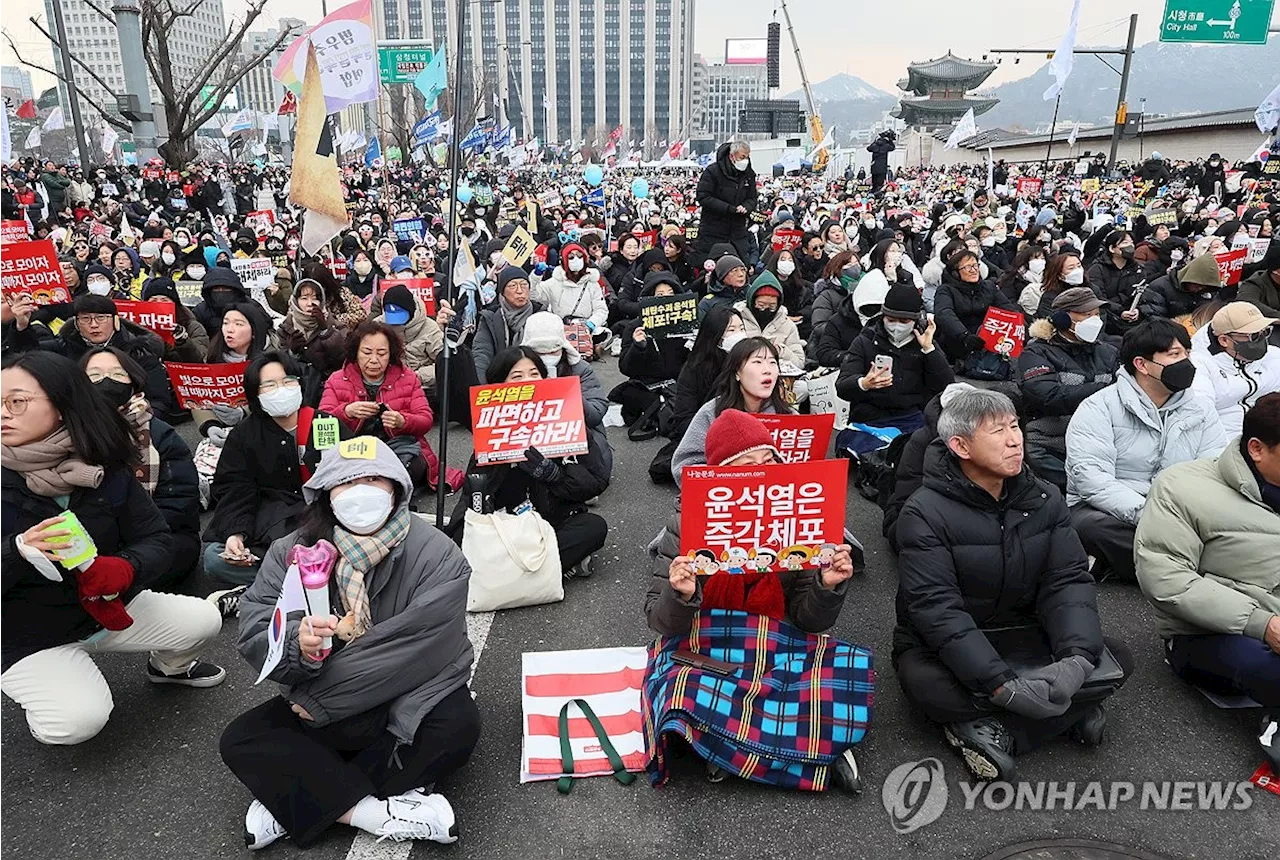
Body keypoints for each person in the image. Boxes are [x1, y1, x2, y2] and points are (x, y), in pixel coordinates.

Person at [221, 438, 479, 850]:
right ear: (326, 492)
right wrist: (297, 647)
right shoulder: (292, 551)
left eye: (375, 478)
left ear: (396, 487)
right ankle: (373, 813)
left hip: (402, 695)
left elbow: (419, 645)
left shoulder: (436, 552)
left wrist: (320, 699)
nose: (361, 491)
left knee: (457, 725)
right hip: (331, 700)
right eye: (346, 482)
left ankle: (296, 796)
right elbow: (255, 629)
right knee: (239, 738)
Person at [893, 387, 1131, 781]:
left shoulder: (1044, 496)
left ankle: (995, 730)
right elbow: (937, 609)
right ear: (960, 446)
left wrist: (1074, 659)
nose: (1014, 439)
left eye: (1015, 425)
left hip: (1025, 629)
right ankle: (1060, 713)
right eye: (997, 431)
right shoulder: (923, 511)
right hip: (950, 644)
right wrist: (1000, 684)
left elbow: (1067, 580)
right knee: (923, 683)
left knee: (1115, 656)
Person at [0, 351, 224, 746]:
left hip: (108, 608)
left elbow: (157, 538)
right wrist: (17, 550)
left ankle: (169, 668)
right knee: (76, 721)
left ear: (62, 405)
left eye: (17, 401)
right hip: (26, 633)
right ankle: (51, 692)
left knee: (204, 619)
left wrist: (125, 567)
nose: (4, 412)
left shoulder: (103, 463)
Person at [1134, 393, 1280, 771]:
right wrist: (1262, 624)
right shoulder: (1182, 487)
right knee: (1263, 663)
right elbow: (1166, 578)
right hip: (1210, 635)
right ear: (1257, 449)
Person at [647, 409, 857, 636]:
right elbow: (661, 622)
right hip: (704, 639)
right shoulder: (686, 524)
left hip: (775, 638)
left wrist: (826, 586)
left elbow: (810, 623)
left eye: (769, 461)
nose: (763, 472)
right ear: (720, 476)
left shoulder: (797, 519)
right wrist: (681, 594)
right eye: (748, 466)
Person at [1067, 319, 1226, 583]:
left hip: (1180, 510)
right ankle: (1192, 572)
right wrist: (1150, 513)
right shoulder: (1099, 407)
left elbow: (1214, 466)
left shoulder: (1200, 409)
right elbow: (1091, 479)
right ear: (1141, 364)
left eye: (1187, 353)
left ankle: (1174, 568)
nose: (1186, 362)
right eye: (1175, 355)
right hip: (1114, 509)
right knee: (1090, 526)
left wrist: (1192, 513)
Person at [448, 346, 610, 577]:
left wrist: (554, 475)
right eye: (517, 376)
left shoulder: (567, 418)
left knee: (594, 527)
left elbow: (596, 480)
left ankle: (510, 572)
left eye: (535, 374)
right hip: (503, 524)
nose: (528, 382)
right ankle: (547, 569)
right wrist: (499, 459)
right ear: (499, 385)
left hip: (552, 522)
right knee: (458, 537)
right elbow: (474, 495)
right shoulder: (492, 425)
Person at [203, 352, 325, 594]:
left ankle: (270, 584)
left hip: (321, 523)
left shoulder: (323, 423)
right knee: (214, 558)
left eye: (288, 381)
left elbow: (350, 475)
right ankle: (310, 580)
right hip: (267, 527)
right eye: (269, 385)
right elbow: (234, 488)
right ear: (255, 394)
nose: (281, 389)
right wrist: (235, 534)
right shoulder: (244, 435)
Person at [81, 347, 202, 589]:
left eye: (117, 375)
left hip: (154, 536)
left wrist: (126, 539)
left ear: (133, 383)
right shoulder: (66, 435)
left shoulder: (160, 435)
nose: (106, 381)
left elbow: (179, 504)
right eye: (94, 376)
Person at [321, 319, 462, 492]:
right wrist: (346, 412)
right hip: (352, 448)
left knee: (411, 465)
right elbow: (322, 423)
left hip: (397, 447)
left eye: (381, 353)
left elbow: (425, 419)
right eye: (367, 352)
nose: (374, 360)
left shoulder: (408, 377)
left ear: (391, 354)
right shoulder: (337, 379)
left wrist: (402, 421)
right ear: (355, 352)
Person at [1017, 288, 1120, 490]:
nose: (1094, 320)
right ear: (1062, 319)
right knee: (1031, 450)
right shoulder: (1037, 352)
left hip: (1104, 433)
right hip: (1056, 433)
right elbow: (1047, 395)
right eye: (1086, 315)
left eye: (1097, 315)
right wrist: (1104, 389)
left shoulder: (1108, 352)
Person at [834, 283, 953, 456]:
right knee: (851, 444)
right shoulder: (865, 340)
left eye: (904, 321)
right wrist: (863, 383)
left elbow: (947, 386)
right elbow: (842, 386)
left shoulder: (925, 344)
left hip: (912, 416)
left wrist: (930, 351)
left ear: (915, 320)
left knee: (928, 449)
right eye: (890, 320)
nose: (896, 326)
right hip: (871, 418)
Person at [672, 337, 791, 487]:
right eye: (757, 362)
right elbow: (685, 466)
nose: (767, 369)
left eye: (773, 362)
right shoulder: (713, 412)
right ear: (737, 373)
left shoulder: (787, 414)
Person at [1190, 302, 1280, 438]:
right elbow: (1202, 413)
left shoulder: (1273, 355)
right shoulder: (1199, 364)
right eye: (1253, 336)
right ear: (1224, 340)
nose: (1261, 340)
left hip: (1271, 437)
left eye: (1265, 332)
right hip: (1226, 443)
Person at [613, 272, 689, 426]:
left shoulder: (685, 323)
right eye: (660, 294)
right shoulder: (635, 326)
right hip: (647, 386)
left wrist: (694, 345)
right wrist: (638, 346)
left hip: (678, 384)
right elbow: (626, 368)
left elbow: (697, 367)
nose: (666, 298)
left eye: (671, 293)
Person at [668, 306, 744, 444]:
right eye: (731, 330)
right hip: (706, 438)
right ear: (715, 335)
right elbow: (683, 419)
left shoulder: (749, 364)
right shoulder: (694, 369)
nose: (739, 335)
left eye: (742, 329)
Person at [518, 312, 609, 427]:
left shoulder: (580, 369)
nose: (547, 356)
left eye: (553, 351)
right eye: (540, 352)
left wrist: (568, 393)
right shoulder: (516, 370)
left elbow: (596, 412)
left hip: (577, 431)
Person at [934, 250, 1018, 374]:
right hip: (958, 340)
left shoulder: (989, 287)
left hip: (988, 339)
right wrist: (964, 335)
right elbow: (944, 314)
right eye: (968, 267)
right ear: (956, 273)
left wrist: (1021, 324)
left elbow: (1007, 308)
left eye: (975, 265)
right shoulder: (945, 290)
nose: (973, 270)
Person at [472, 266, 543, 384]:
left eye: (524, 285)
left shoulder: (541, 315)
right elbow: (481, 353)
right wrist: (482, 387)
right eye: (512, 286)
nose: (519, 290)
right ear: (503, 292)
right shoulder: (490, 318)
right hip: (502, 382)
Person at [278, 278, 350, 390]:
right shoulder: (285, 328)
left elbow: (342, 357)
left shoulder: (336, 325)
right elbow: (281, 366)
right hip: (297, 387)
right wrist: (293, 353)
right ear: (296, 301)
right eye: (304, 298)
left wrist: (325, 330)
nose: (309, 303)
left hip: (327, 386)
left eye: (315, 298)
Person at [532, 240, 609, 343]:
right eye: (571, 257)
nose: (576, 260)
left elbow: (601, 310)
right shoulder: (554, 282)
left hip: (586, 329)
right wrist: (536, 276)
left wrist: (591, 324)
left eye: (580, 256)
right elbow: (533, 295)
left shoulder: (592, 283)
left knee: (601, 333)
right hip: (562, 331)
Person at [375, 284, 444, 399]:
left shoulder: (430, 328)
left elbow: (444, 364)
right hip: (387, 387)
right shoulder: (377, 327)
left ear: (410, 310)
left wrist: (417, 376)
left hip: (424, 388)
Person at [695, 141, 758, 264]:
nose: (745, 161)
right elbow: (703, 196)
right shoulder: (713, 171)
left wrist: (746, 207)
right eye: (742, 157)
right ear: (732, 156)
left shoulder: (749, 174)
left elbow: (752, 197)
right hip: (713, 230)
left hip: (738, 231)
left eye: (747, 157)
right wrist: (728, 208)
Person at [734, 271, 805, 369]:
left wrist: (781, 351)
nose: (765, 310)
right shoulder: (737, 320)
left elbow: (800, 363)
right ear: (752, 301)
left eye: (772, 306)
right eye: (761, 305)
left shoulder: (787, 326)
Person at [1137, 250, 1220, 323]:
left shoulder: (1207, 292)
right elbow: (1153, 317)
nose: (1200, 288)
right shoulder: (1159, 287)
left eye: (1204, 286)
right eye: (1197, 285)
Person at [697, 254, 749, 322]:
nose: (741, 274)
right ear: (722, 276)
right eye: (734, 271)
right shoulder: (708, 303)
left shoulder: (751, 295)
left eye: (743, 270)